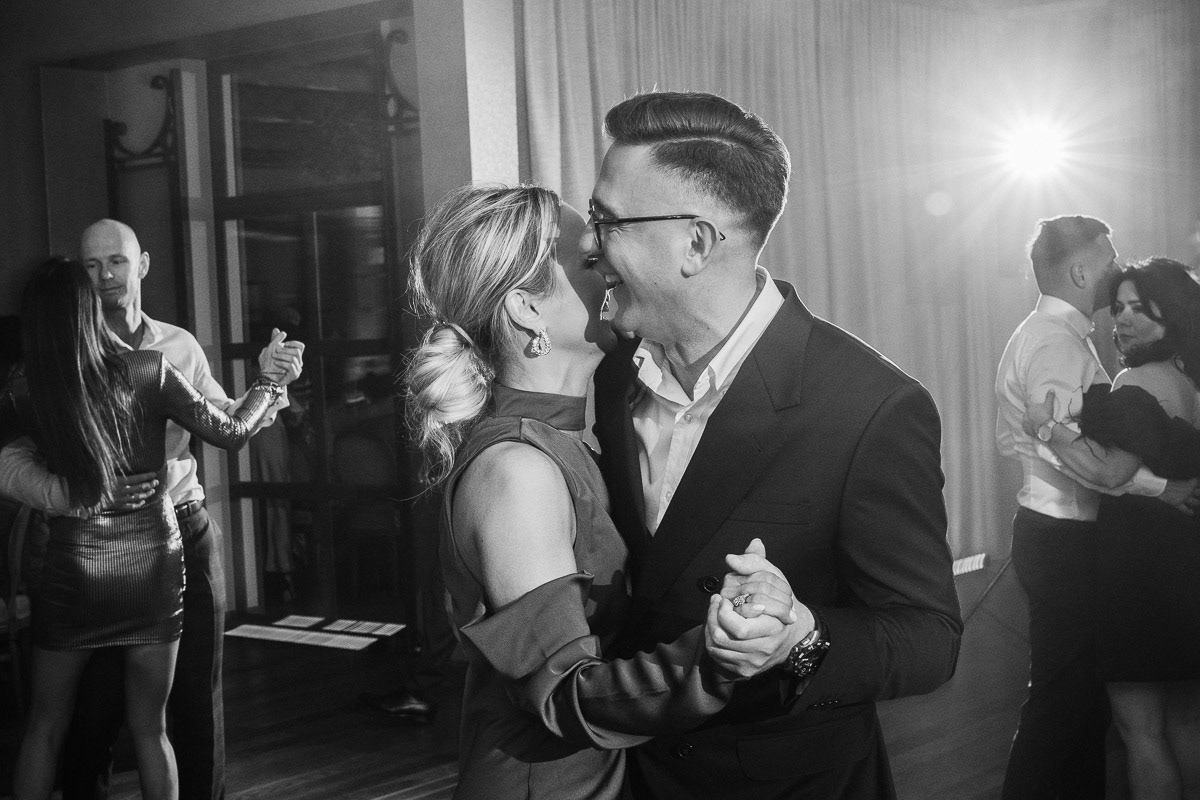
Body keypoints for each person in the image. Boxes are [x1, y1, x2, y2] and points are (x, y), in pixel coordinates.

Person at [576, 90, 962, 800]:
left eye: (607, 221)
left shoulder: (868, 406)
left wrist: (801, 638)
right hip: (627, 777)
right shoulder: (607, 375)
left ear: (696, 243)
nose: (587, 244)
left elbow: (928, 638)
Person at [403, 183, 798, 800]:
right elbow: (566, 692)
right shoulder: (518, 472)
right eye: (590, 260)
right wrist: (719, 654)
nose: (612, 269)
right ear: (526, 309)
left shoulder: (563, 444)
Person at [0, 218, 303, 800]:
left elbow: (224, 415)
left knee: (183, 702)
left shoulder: (168, 348)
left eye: (115, 261)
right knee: (114, 719)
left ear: (141, 265)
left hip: (167, 531)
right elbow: (230, 431)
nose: (105, 276)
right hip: (121, 549)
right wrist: (67, 494)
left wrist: (270, 384)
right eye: (91, 266)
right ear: (81, 287)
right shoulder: (108, 372)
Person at [995, 217, 1200, 800]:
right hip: (1065, 537)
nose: (1114, 270)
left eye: (1139, 306)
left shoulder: (1073, 341)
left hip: (1102, 546)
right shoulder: (1055, 343)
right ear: (1082, 271)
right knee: (1063, 702)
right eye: (1109, 261)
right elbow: (1089, 463)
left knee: (1093, 707)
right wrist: (1163, 489)